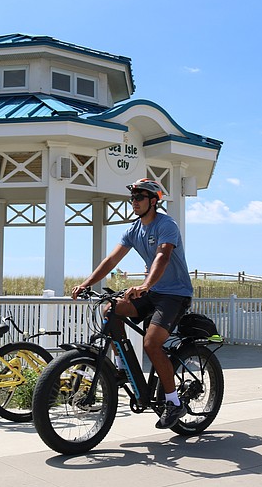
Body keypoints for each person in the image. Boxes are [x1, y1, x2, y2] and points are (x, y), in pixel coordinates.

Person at [71, 178, 194, 429]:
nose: (134, 202)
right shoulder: (133, 229)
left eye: (139, 197)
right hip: (152, 290)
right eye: (132, 198)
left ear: (153, 201)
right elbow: (111, 260)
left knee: (151, 344)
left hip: (174, 294)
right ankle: (122, 369)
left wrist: (145, 285)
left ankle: (173, 402)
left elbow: (163, 256)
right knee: (110, 310)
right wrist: (86, 283)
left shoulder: (166, 224)